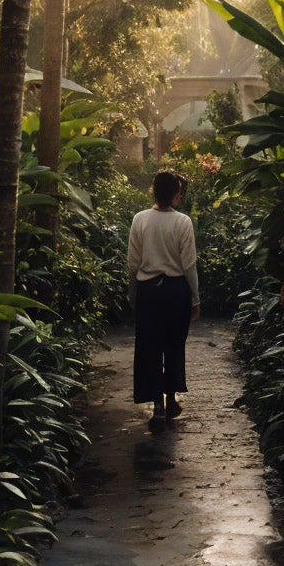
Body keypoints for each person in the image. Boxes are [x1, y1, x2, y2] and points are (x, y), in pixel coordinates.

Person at [128, 169, 200, 426]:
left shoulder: (140, 219)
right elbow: (189, 264)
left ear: (154, 190)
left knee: (148, 347)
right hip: (176, 291)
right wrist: (195, 298)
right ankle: (171, 397)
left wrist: (133, 293)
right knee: (173, 346)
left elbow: (133, 263)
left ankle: (156, 402)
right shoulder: (183, 222)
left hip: (149, 292)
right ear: (176, 192)